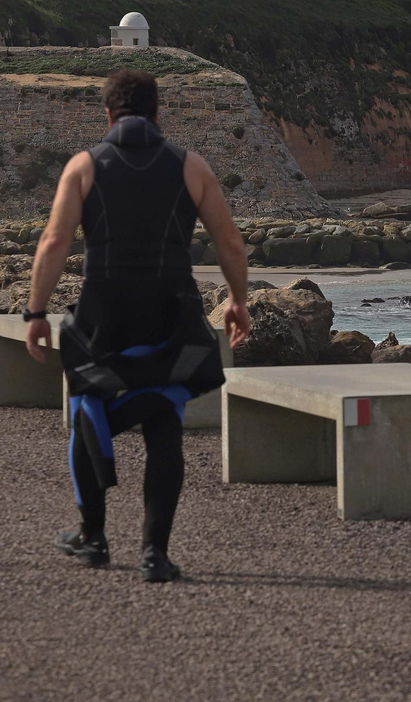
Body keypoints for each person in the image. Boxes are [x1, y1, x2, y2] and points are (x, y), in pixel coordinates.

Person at [23, 67, 251, 582]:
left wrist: (35, 313)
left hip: (103, 310)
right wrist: (238, 300)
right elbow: (230, 243)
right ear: (156, 113)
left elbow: (54, 243)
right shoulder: (191, 166)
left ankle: (93, 537)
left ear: (108, 114)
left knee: (88, 403)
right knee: (164, 417)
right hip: (169, 309)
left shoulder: (84, 166)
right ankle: (155, 554)